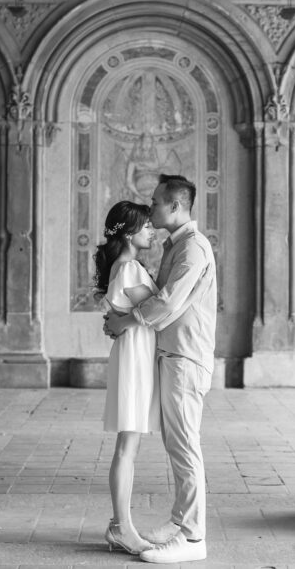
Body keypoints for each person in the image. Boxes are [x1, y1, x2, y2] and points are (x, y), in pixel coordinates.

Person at [104, 174, 217, 564]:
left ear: (175, 206)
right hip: (172, 354)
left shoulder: (193, 249)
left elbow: (166, 303)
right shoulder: (176, 246)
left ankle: (192, 537)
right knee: (176, 443)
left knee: (185, 445)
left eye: (154, 203)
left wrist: (124, 319)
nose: (150, 211)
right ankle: (180, 522)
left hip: (185, 355)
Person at [93, 200, 160, 555]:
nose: (152, 231)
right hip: (134, 356)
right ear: (130, 233)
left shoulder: (126, 266)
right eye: (146, 226)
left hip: (133, 352)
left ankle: (121, 524)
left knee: (128, 445)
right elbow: (158, 310)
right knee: (127, 446)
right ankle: (121, 527)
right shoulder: (130, 268)